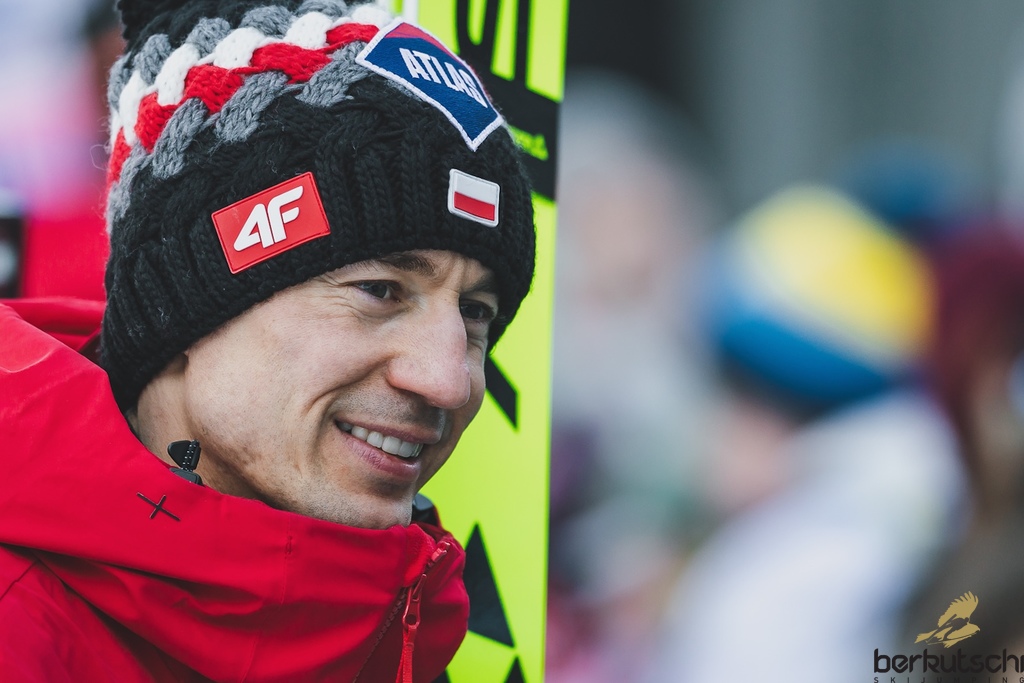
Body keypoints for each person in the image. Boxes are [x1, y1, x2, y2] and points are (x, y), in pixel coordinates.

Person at [0, 0, 535, 681]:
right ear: (185, 305)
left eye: (476, 311)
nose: (449, 381)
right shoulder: (20, 635)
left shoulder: (400, 624)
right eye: (379, 289)